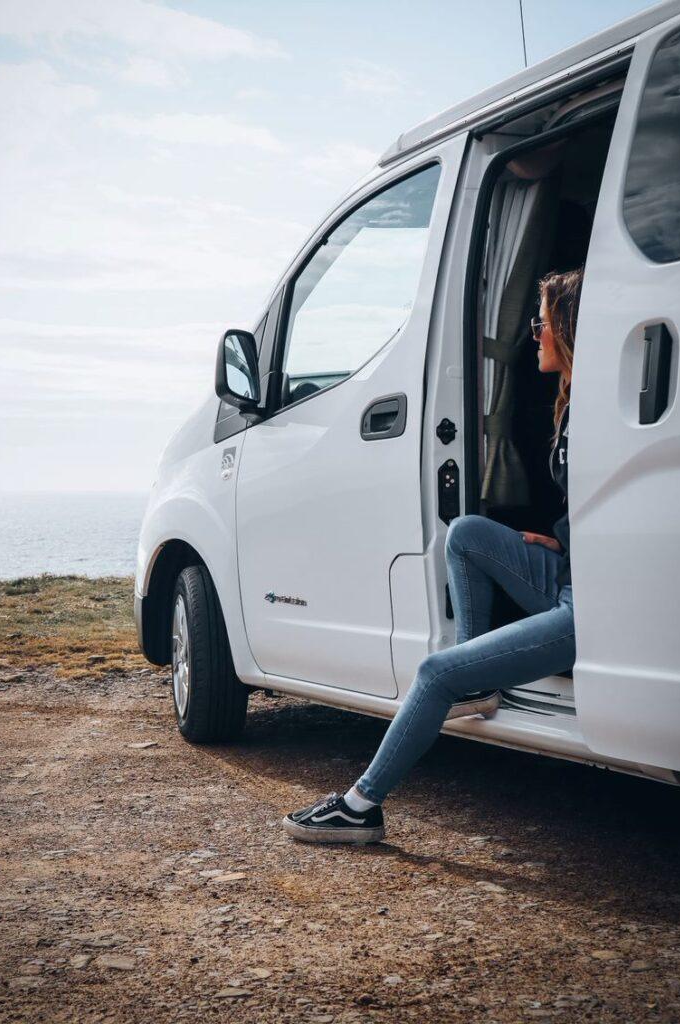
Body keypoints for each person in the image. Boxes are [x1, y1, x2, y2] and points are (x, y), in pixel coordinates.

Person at [282, 267, 583, 844]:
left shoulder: (599, 412)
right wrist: (564, 538)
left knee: (434, 672)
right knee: (466, 533)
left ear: (568, 328)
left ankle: (359, 806)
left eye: (541, 322)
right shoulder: (572, 402)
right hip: (575, 571)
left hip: (592, 604)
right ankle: (479, 683)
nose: (533, 333)